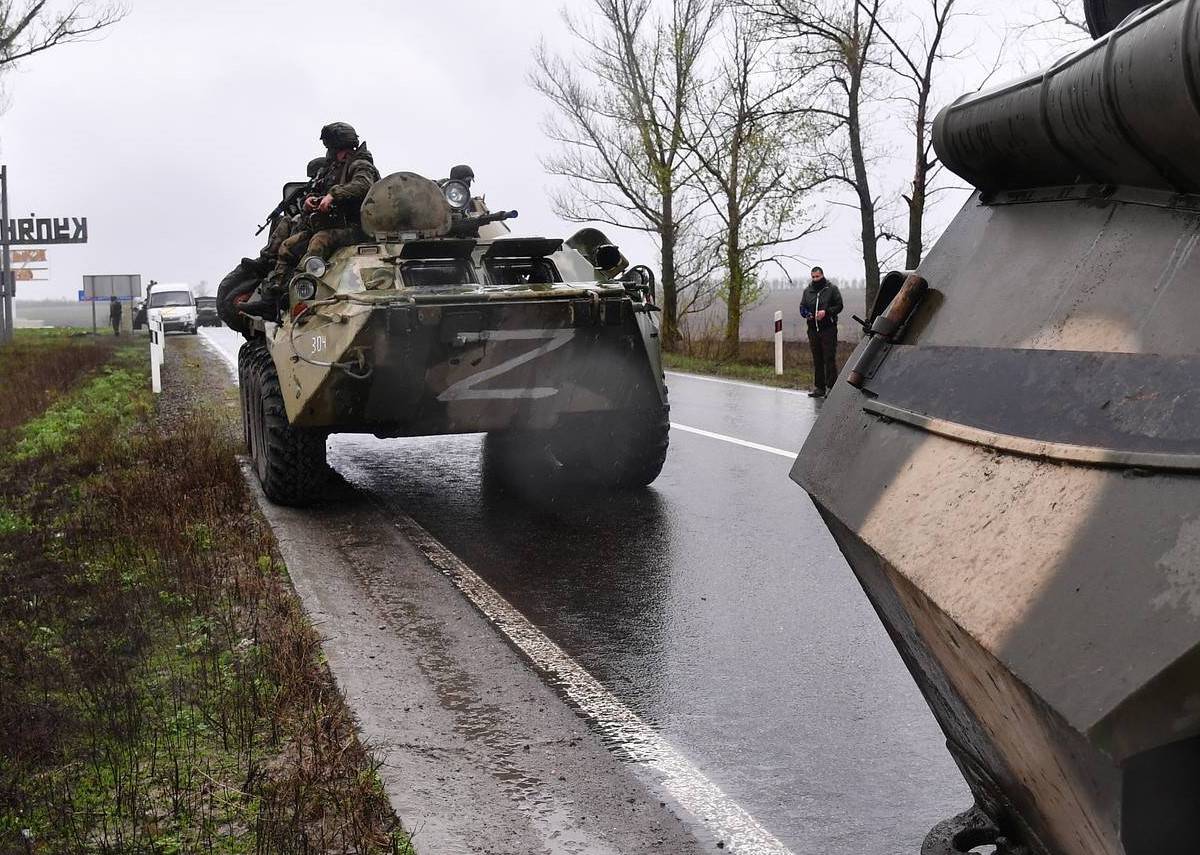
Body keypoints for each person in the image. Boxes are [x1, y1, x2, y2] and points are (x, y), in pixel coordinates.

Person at [271, 122, 379, 281]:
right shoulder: (333, 170)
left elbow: (362, 185)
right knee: (287, 246)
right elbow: (319, 189)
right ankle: (277, 287)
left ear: (341, 150)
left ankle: (304, 285)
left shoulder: (360, 164)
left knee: (319, 241)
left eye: (332, 149)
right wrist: (311, 199)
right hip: (330, 224)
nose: (330, 153)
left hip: (357, 228)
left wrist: (333, 195)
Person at [800, 266, 843, 398]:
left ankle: (831, 387)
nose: (815, 279)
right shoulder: (808, 291)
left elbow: (839, 306)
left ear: (822, 275)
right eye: (813, 277)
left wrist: (826, 312)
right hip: (813, 329)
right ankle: (819, 388)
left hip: (828, 329)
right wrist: (807, 314)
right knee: (817, 358)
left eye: (817, 276)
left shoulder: (831, 289)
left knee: (829, 358)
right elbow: (802, 307)